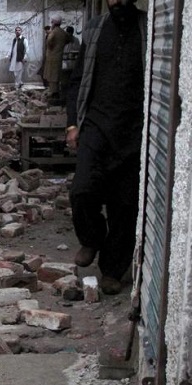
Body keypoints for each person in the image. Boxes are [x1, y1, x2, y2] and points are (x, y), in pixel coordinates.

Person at [65, 0, 147, 294]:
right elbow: (75, 82)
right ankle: (92, 238)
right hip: (96, 127)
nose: (116, 1)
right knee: (82, 191)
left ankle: (113, 269)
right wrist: (73, 124)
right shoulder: (96, 30)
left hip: (133, 132)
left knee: (125, 206)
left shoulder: (147, 30)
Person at [43, 16, 69, 98]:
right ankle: (55, 91)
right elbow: (68, 40)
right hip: (59, 56)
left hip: (52, 57)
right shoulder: (63, 32)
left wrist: (50, 48)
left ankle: (54, 92)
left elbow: (49, 41)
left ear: (54, 23)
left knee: (52, 75)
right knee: (57, 75)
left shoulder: (53, 32)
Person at [60, 26, 80, 100]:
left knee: (71, 81)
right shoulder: (63, 40)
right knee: (64, 82)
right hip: (64, 63)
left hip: (72, 63)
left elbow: (78, 50)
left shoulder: (76, 40)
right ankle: (64, 97)